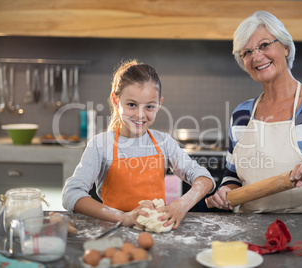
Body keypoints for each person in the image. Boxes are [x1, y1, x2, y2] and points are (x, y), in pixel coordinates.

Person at [206, 11, 302, 213]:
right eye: (247, 52)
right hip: (252, 232)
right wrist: (225, 190)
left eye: (264, 45)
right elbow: (233, 176)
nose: (257, 56)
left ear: (285, 47)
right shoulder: (241, 115)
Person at [62, 59, 215, 229]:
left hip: (155, 235)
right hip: (114, 233)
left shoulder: (164, 143)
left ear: (159, 104)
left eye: (149, 106)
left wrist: (181, 205)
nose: (140, 115)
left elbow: (205, 178)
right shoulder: (101, 145)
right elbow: (71, 194)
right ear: (115, 100)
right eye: (132, 105)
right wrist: (124, 217)